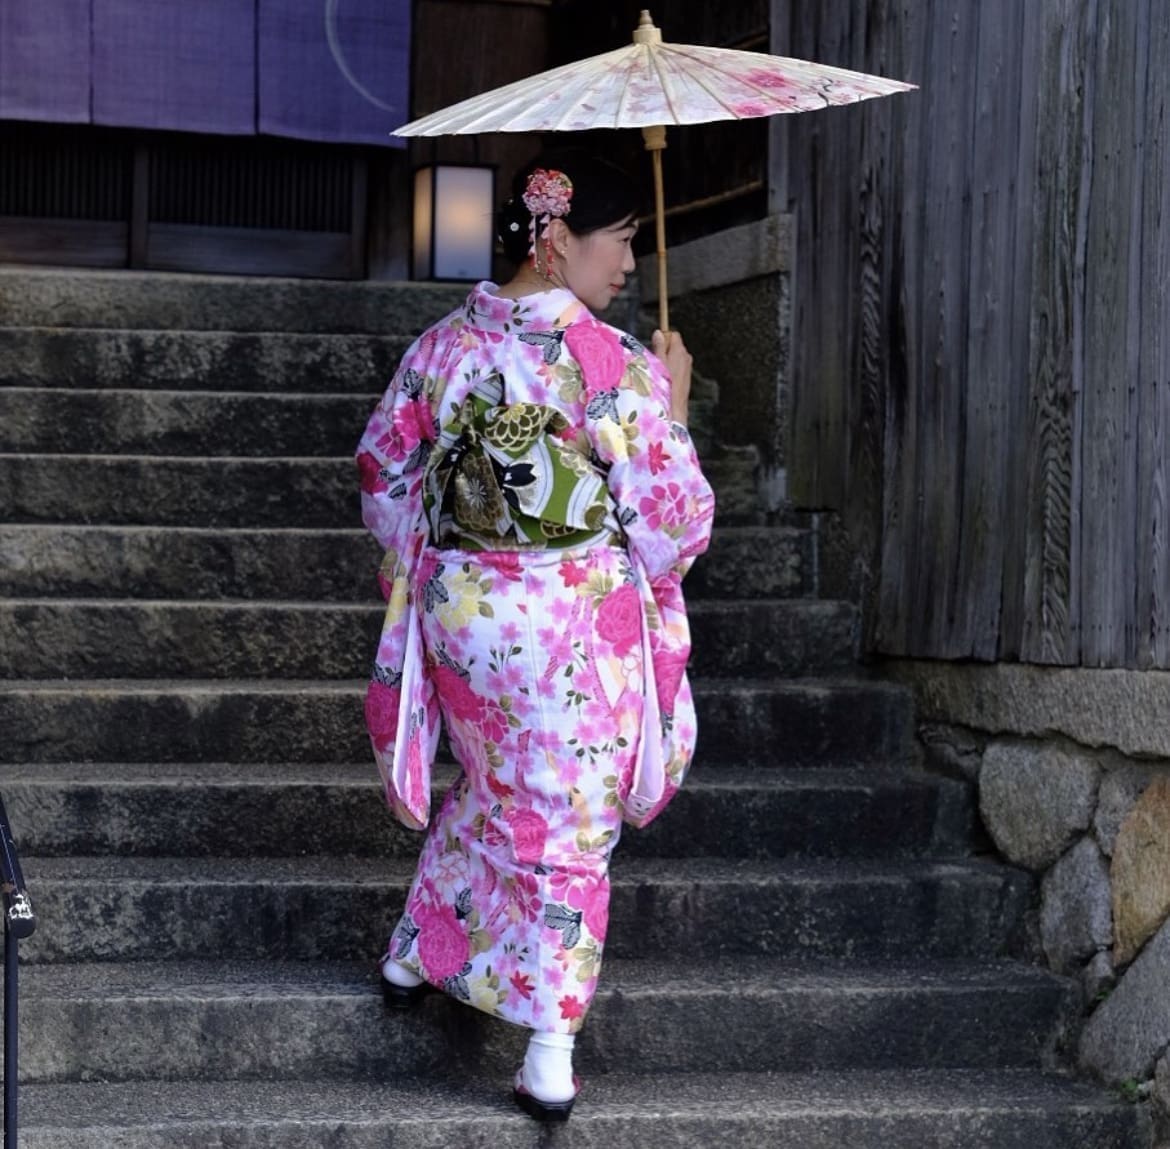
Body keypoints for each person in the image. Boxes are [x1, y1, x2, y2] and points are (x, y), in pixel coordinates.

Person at [356, 148, 715, 1121]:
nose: (632, 263)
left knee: (496, 785)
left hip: (464, 624)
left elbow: (384, 478)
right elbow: (675, 524)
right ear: (555, 241)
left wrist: (442, 576)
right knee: (570, 829)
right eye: (623, 239)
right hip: (565, 628)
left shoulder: (438, 349)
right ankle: (550, 1044)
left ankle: (416, 949)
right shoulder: (609, 364)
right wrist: (672, 413)